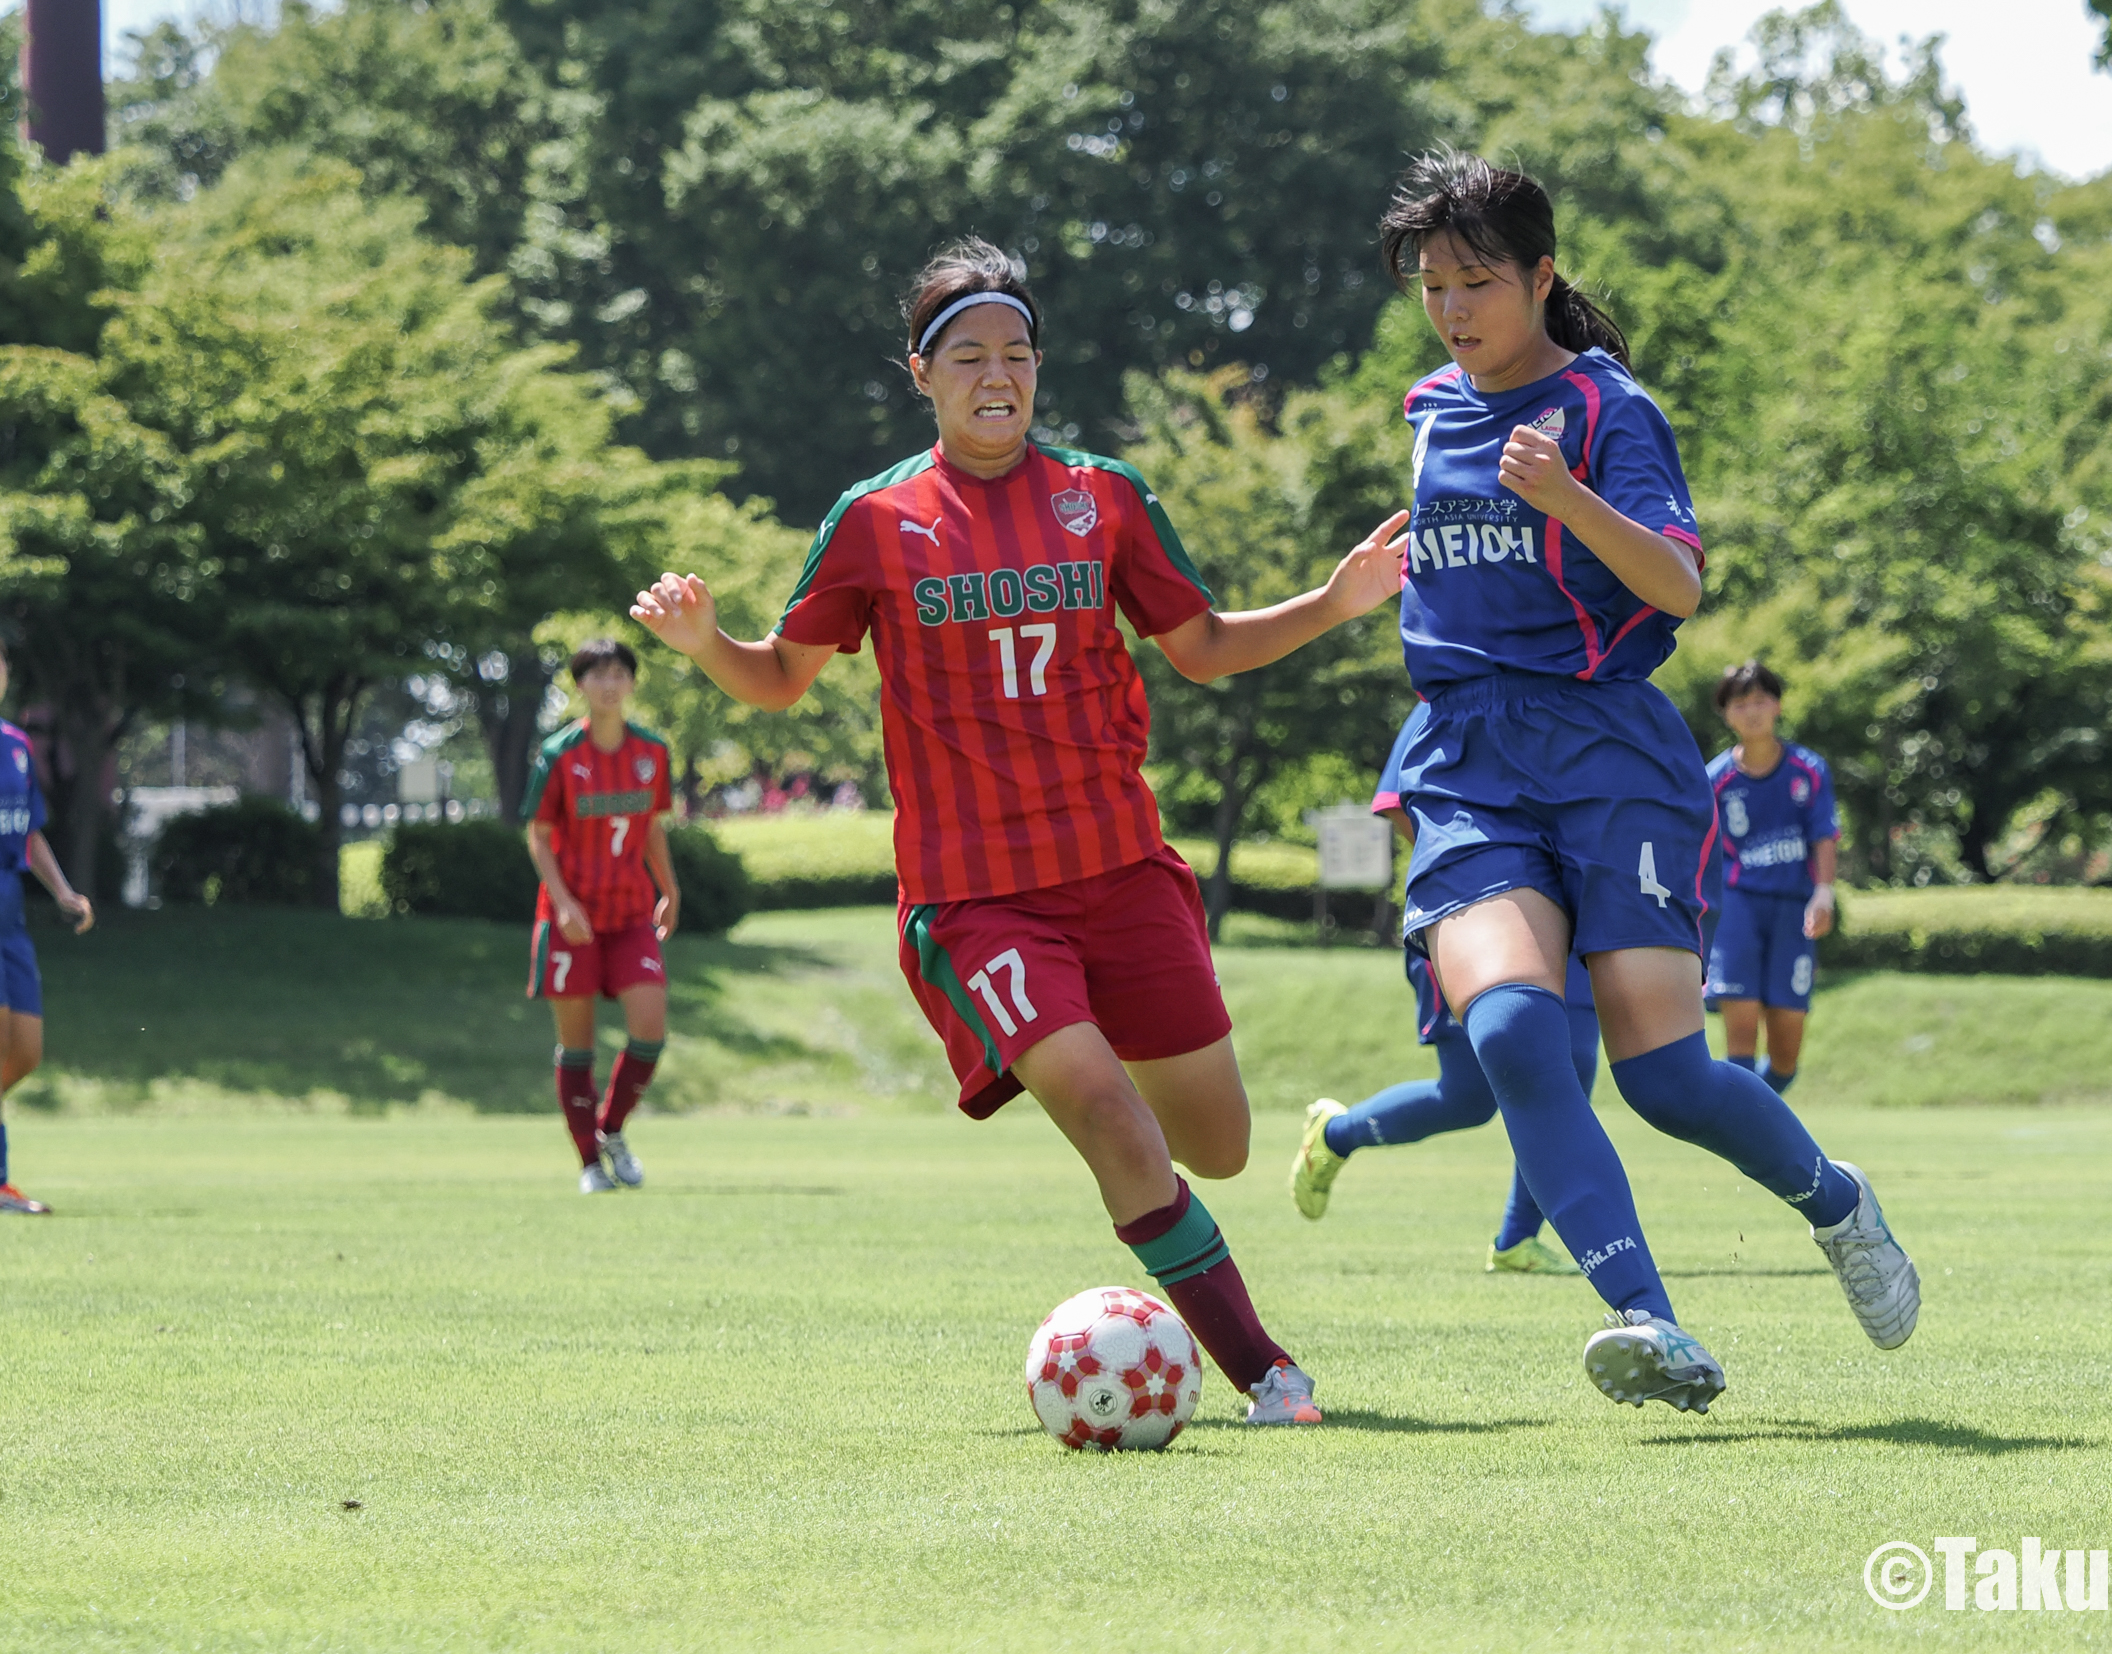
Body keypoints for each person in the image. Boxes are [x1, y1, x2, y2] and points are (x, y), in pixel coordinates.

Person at [629, 239, 1407, 1428]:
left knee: (1219, 1146)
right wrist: (705, 647)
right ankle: (1269, 1374)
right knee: (1108, 1117)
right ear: (921, 374)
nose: (997, 376)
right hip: (978, 898)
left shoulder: (1105, 496)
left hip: (1123, 871)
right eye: (968, 357)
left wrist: (1334, 602)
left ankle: (1121, 1114)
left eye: (1017, 354)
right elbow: (780, 678)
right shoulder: (875, 519)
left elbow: (1200, 647)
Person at [1378, 150, 1918, 1415]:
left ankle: (1837, 1204)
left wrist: (1567, 498)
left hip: (1606, 753)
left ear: (1540, 277)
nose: (1452, 308)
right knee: (1511, 1031)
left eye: (1477, 281)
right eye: (1433, 283)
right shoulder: (1427, 409)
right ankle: (1651, 1325)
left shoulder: (1608, 408)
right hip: (1467, 759)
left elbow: (1677, 583)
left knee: (1664, 1078)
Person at [1289, 699, 1595, 1276]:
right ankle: (1337, 1134)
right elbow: (1395, 804)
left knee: (1571, 1071)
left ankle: (1516, 1240)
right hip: (1466, 917)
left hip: (1565, 924)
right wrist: (1471, 870)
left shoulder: (1575, 698)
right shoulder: (1450, 694)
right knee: (1468, 1098)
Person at [523, 638, 680, 1195]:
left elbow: (653, 825)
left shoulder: (652, 752)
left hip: (630, 914)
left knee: (650, 1030)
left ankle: (611, 1130)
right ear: (580, 685)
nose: (610, 684)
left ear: (632, 682)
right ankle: (590, 1163)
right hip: (573, 922)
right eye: (597, 675)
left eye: (619, 674)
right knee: (578, 1046)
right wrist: (563, 903)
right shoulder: (559, 754)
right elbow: (538, 836)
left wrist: (669, 889)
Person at [1703, 661, 1837, 1097]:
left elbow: (1824, 835)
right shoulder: (1714, 779)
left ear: (1777, 706)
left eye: (1760, 700)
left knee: (1785, 1059)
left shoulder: (1808, 769)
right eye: (1740, 703)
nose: (1752, 711)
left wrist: (1824, 893)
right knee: (1740, 1043)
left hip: (1793, 909)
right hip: (1737, 904)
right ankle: (1737, 1124)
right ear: (1726, 713)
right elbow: (1698, 849)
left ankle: (1754, 1111)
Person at [0, 639, 97, 1216]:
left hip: (10, 915)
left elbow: (28, 831)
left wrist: (62, 891)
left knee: (25, 1053)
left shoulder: (15, 745)